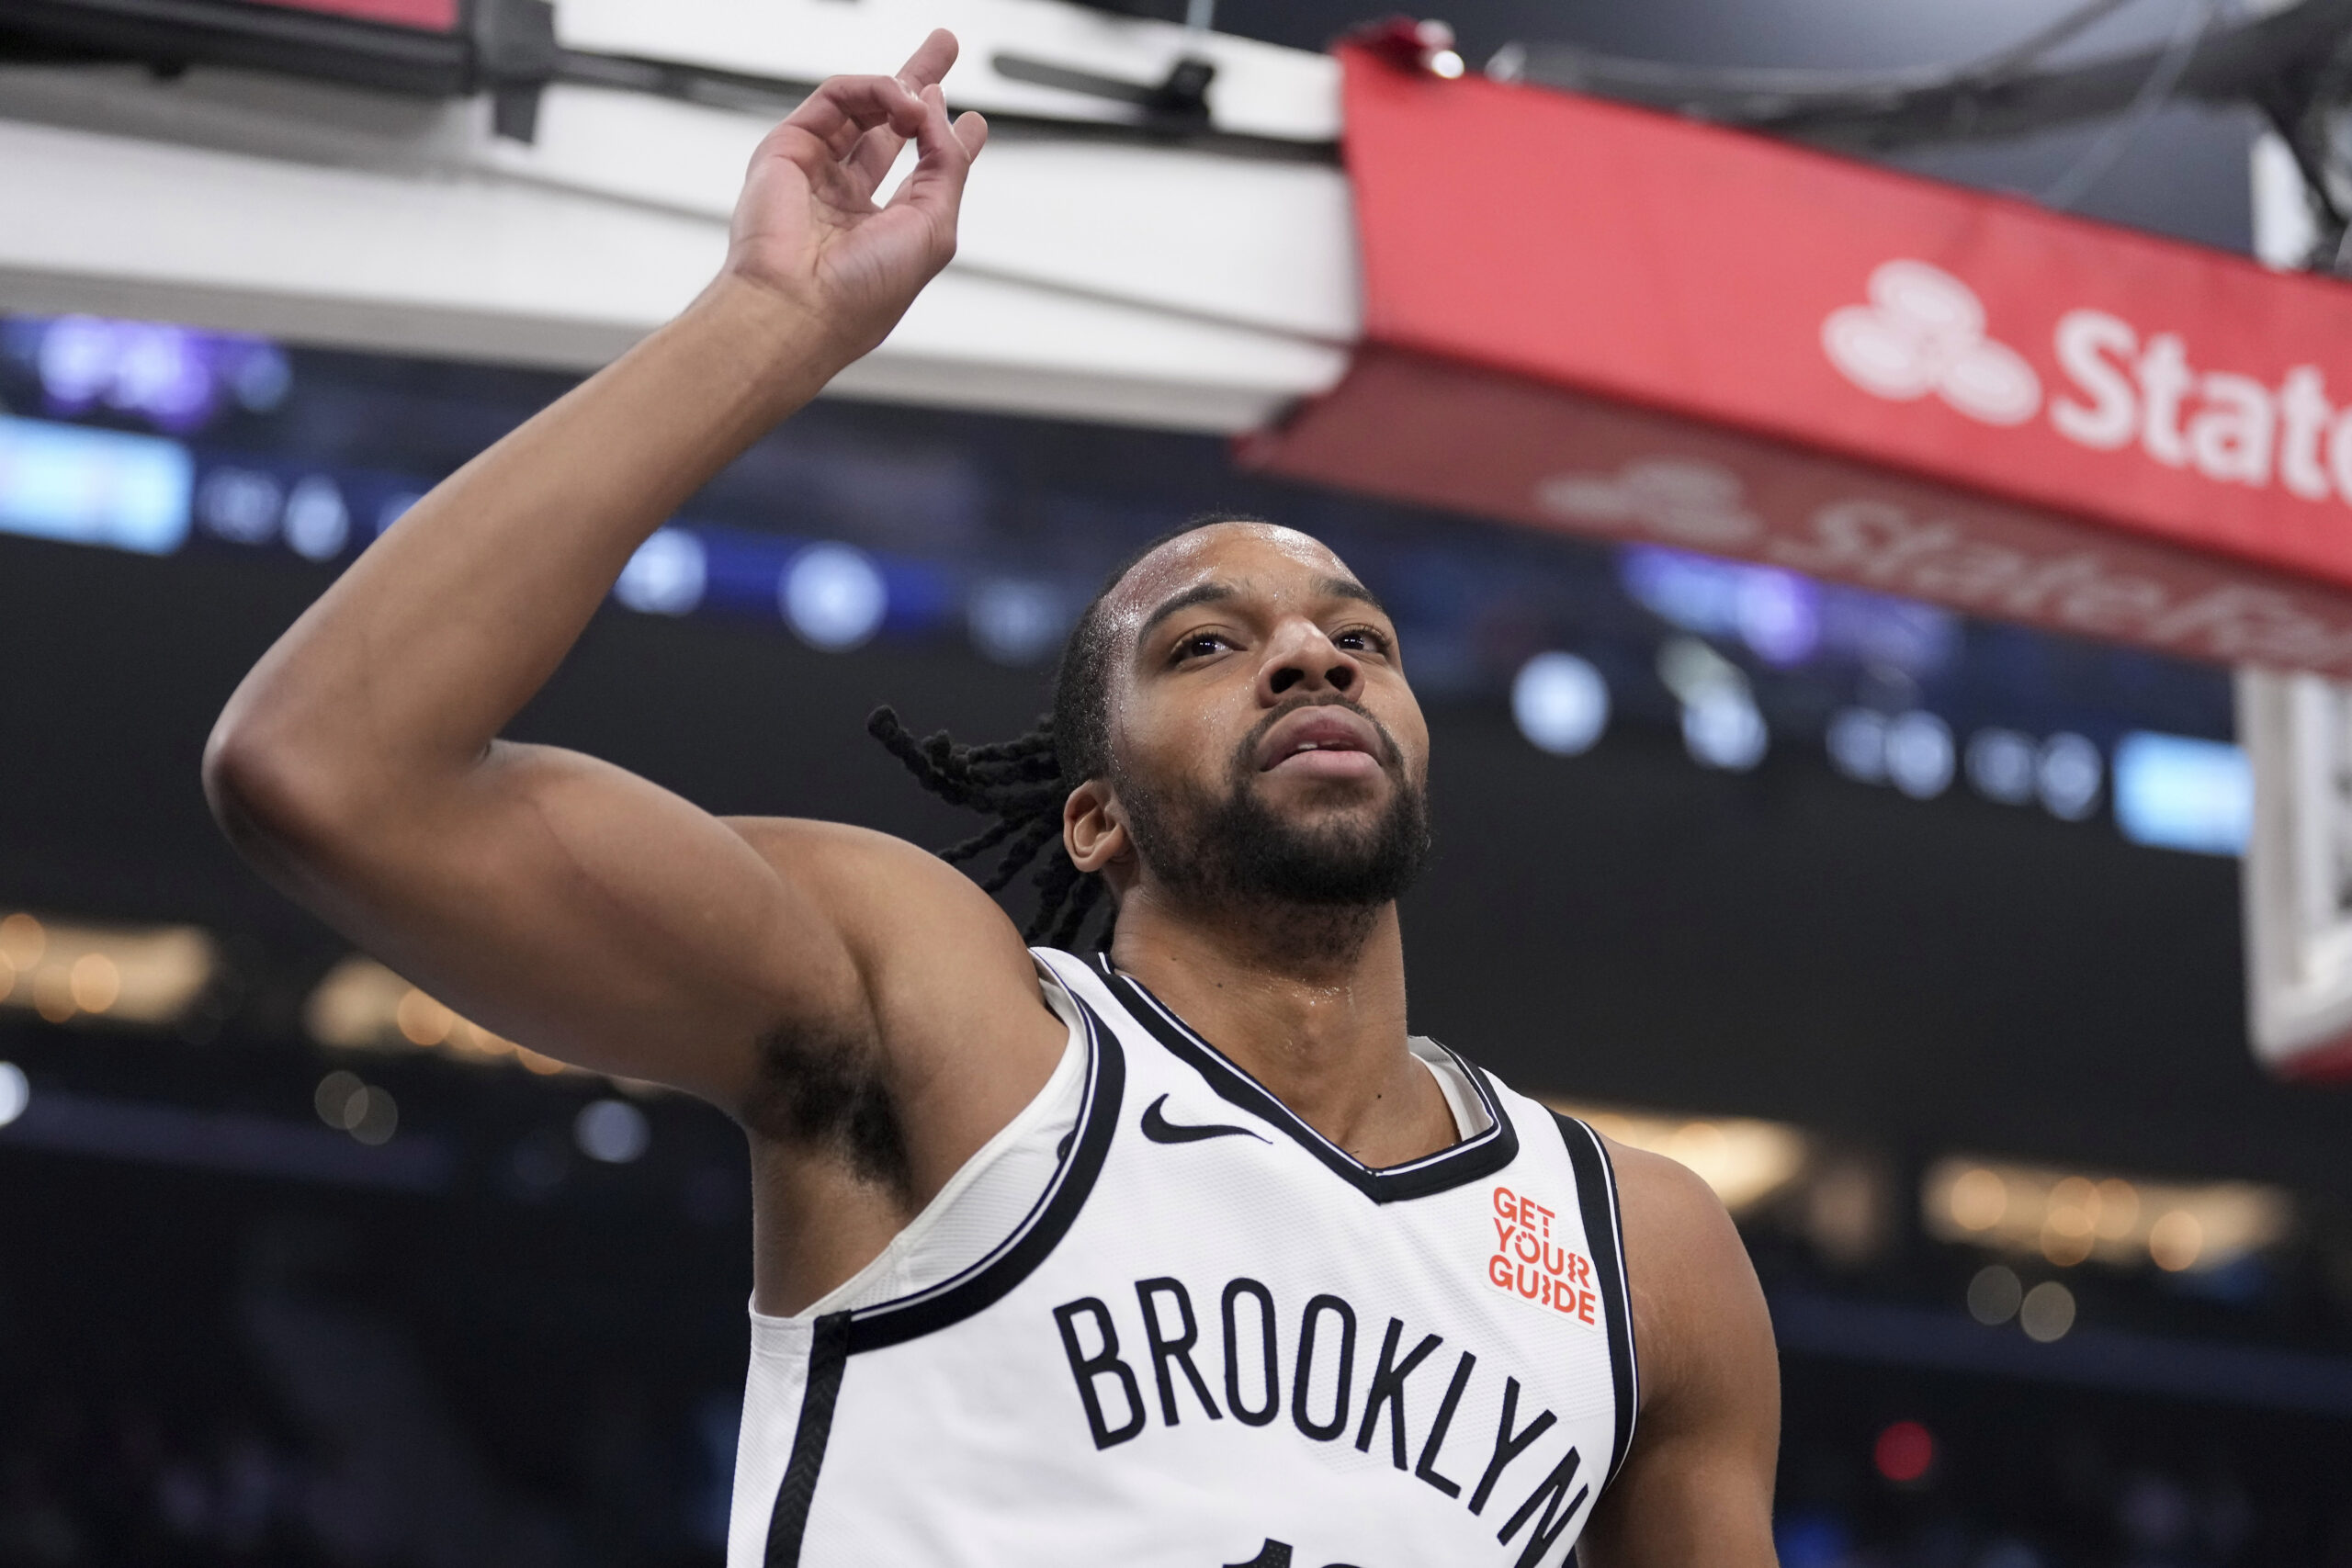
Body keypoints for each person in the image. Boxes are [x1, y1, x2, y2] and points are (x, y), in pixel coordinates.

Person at [203, 29, 1779, 1567]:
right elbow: (330, 770)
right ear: (1094, 820)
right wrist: (768, 319)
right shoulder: (950, 1027)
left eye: (1358, 639)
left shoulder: (1643, 1252)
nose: (1311, 656)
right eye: (1212, 645)